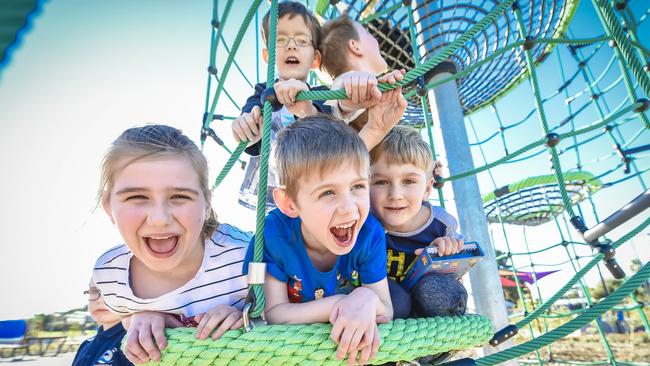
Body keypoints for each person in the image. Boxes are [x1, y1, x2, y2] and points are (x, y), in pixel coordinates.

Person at [92, 124, 250, 364]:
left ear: (206, 204)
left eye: (179, 196)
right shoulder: (109, 275)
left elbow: (291, 308)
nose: (160, 219)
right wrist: (140, 316)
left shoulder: (244, 257)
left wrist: (247, 315)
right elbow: (125, 312)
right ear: (108, 207)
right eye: (137, 197)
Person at [244, 116, 393, 366]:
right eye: (328, 192)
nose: (349, 209)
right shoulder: (273, 235)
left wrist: (366, 298)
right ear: (289, 203)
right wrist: (341, 303)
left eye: (357, 186)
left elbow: (387, 309)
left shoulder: (369, 233)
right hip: (293, 349)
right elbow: (273, 313)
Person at [232, 1, 329, 210]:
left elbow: (331, 134)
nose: (291, 45)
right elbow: (250, 118)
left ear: (315, 59)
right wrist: (245, 126)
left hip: (313, 196)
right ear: (268, 55)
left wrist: (307, 111)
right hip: (270, 197)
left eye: (302, 40)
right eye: (281, 39)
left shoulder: (322, 94)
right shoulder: (263, 92)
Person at [368, 126, 468, 318]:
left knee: (442, 294)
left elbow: (457, 274)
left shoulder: (441, 225)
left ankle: (440, 347)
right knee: (395, 301)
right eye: (381, 182)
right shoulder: (365, 222)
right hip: (388, 304)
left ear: (427, 189)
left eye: (409, 181)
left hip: (427, 300)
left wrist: (446, 253)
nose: (395, 195)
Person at [72, 281, 132, 366]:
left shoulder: (133, 342)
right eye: (93, 291)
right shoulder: (85, 344)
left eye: (111, 291)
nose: (100, 300)